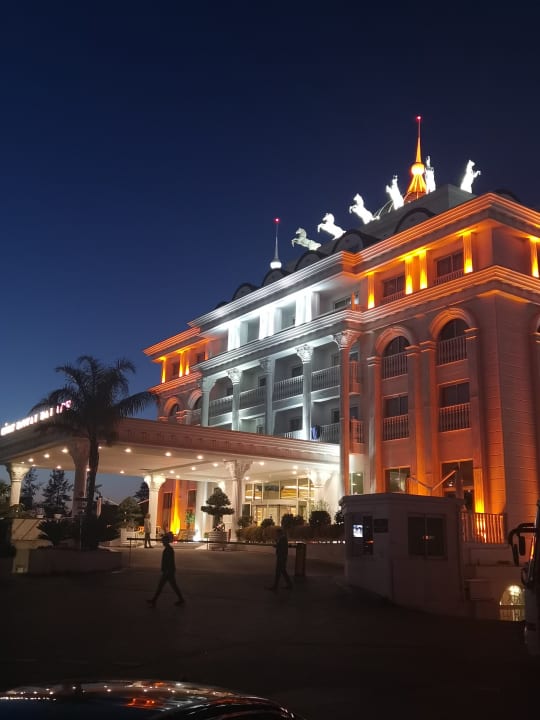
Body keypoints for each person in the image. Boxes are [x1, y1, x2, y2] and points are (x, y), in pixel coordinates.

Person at [147, 532, 185, 607]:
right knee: (171, 586)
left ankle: (154, 600)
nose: (163, 542)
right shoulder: (169, 549)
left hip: (168, 572)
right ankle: (154, 600)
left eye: (163, 541)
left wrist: (166, 571)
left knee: (162, 586)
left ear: (166, 541)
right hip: (169, 571)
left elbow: (169, 561)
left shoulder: (168, 550)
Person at [267, 527, 292, 591]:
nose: (276, 534)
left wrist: (276, 545)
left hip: (281, 557)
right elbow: (281, 546)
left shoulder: (283, 539)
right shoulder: (282, 538)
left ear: (279, 533)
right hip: (282, 557)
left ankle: (275, 586)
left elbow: (281, 548)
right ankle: (289, 584)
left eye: (277, 533)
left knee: (278, 571)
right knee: (283, 571)